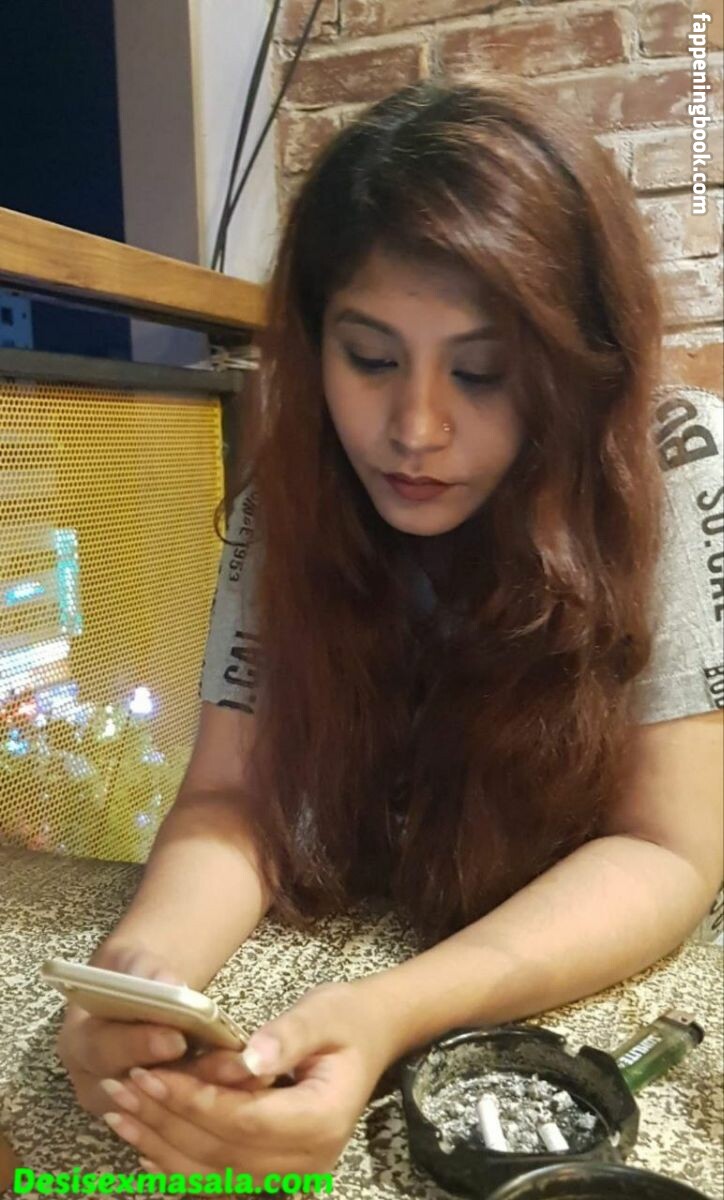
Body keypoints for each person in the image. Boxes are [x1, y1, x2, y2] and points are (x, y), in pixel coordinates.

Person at [57, 76, 723, 1179]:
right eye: (369, 359)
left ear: (573, 366)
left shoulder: (667, 462)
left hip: (594, 982)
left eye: (482, 373)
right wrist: (139, 978)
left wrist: (389, 1014)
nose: (415, 428)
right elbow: (233, 796)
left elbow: (667, 848)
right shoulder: (291, 502)